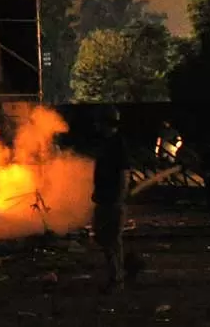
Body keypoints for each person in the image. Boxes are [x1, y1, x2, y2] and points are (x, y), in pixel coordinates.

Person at [91, 107, 140, 292]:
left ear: (106, 123)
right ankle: (122, 271)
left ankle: (117, 278)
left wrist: (119, 198)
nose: (96, 125)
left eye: (99, 122)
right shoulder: (106, 143)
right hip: (104, 198)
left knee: (110, 238)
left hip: (112, 200)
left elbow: (123, 173)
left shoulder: (118, 144)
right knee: (106, 238)